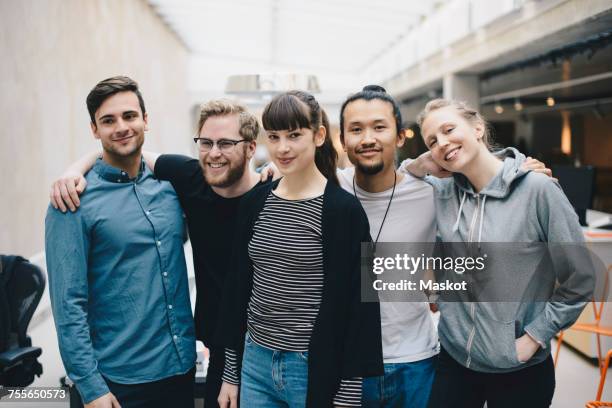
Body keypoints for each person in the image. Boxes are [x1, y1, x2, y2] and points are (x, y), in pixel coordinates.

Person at [49, 99, 264, 407]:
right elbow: (124, 147)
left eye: (226, 143)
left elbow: (358, 281)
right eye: (206, 142)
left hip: (285, 355)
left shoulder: (281, 198)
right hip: (217, 358)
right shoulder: (190, 180)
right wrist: (75, 167)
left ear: (251, 147)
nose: (214, 153)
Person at [406, 98, 594, 408]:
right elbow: (395, 182)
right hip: (455, 361)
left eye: (449, 129)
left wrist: (534, 337)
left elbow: (581, 277)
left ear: (478, 127)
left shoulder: (537, 189)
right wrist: (422, 163)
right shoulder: (442, 193)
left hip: (520, 370)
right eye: (432, 141)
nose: (442, 143)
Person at [216, 90, 383, 408]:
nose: (283, 147)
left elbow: (359, 306)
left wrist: (347, 395)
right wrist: (230, 373)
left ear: (319, 135)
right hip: (255, 363)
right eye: (274, 136)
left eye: (294, 135)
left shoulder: (343, 211)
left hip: (310, 367)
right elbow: (237, 290)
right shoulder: (256, 202)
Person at [45, 76, 196, 408]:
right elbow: (68, 303)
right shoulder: (72, 201)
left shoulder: (171, 187)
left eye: (130, 116)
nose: (121, 127)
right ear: (94, 130)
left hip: (180, 368)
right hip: (117, 382)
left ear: (146, 120)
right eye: (108, 120)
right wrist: (90, 386)